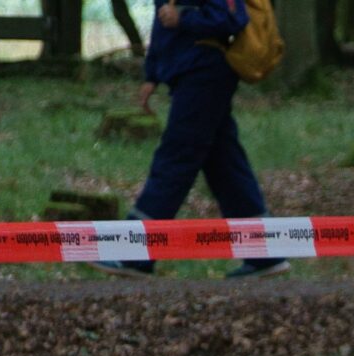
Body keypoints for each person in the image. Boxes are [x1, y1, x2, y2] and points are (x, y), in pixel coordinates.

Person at [92, 0, 285, 280]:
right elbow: (163, 23)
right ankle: (264, 253)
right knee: (225, 166)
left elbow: (229, 19)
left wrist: (184, 18)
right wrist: (152, 75)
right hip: (186, 73)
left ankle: (133, 252)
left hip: (206, 73)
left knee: (175, 157)